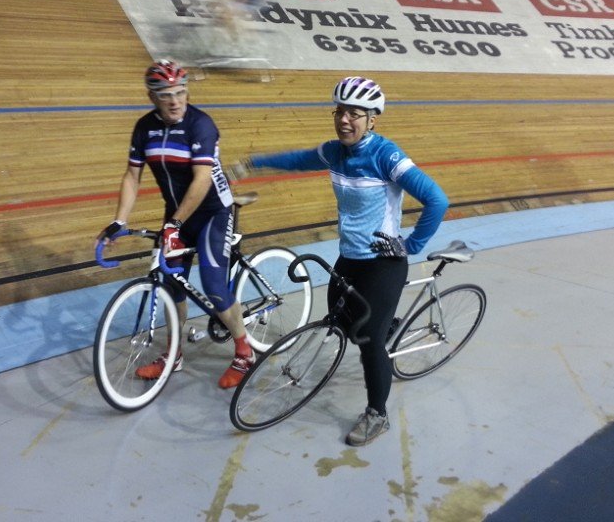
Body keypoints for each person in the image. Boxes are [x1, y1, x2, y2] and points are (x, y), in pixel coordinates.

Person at [231, 76, 449, 445]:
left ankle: (377, 414)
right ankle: (387, 325)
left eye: (355, 114)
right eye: (340, 112)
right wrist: (255, 162)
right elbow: (298, 160)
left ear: (372, 119)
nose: (345, 120)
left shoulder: (386, 155)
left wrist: (411, 245)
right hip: (349, 257)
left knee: (369, 343)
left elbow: (437, 200)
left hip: (382, 263)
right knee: (342, 321)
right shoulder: (334, 152)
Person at [96, 59, 254, 389]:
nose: (175, 100)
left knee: (213, 286)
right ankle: (173, 355)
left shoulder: (200, 125)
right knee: (172, 285)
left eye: (180, 92)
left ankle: (244, 351)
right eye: (166, 94)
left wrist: (175, 223)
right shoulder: (144, 128)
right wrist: (118, 220)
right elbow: (132, 176)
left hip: (212, 212)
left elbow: (201, 180)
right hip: (177, 215)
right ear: (152, 97)